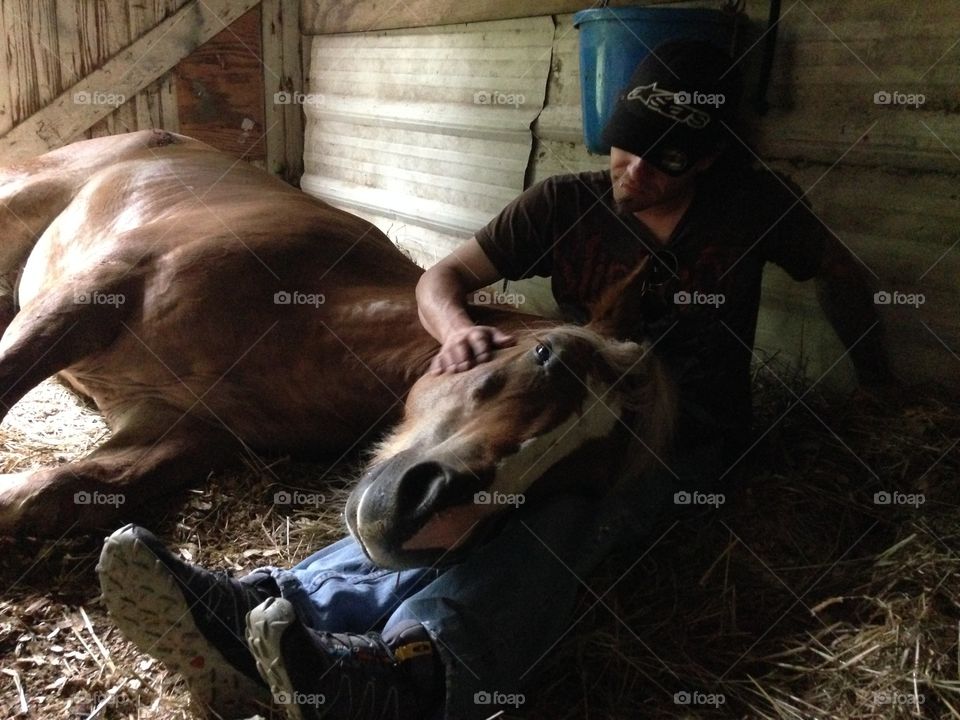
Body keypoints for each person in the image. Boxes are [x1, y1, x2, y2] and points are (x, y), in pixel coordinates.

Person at [97, 40, 894, 720]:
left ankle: (416, 674)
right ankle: (264, 604)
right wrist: (456, 328)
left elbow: (840, 274)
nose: (636, 170)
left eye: (665, 160)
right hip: (562, 400)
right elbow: (444, 276)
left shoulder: (751, 207)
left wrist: (879, 389)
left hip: (683, 432)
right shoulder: (565, 204)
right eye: (627, 146)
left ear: (712, 160)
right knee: (466, 492)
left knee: (565, 511)